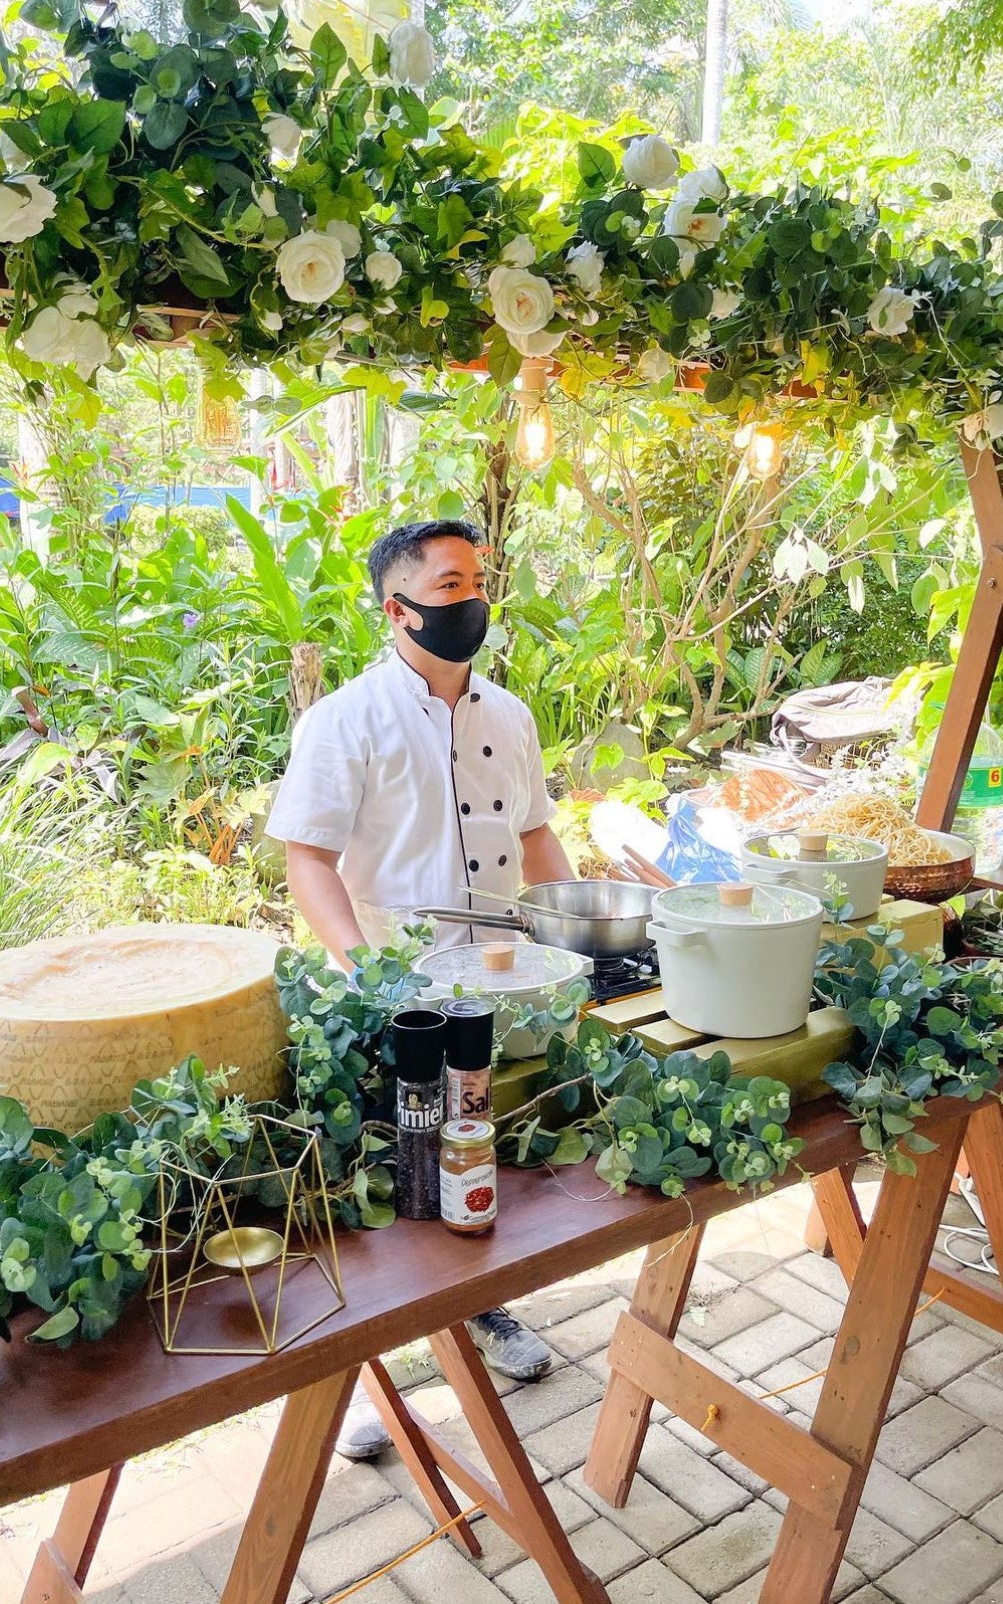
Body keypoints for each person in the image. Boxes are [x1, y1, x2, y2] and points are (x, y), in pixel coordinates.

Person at [267, 517, 576, 1460]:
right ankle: (360, 1377)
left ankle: (486, 1310)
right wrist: (364, 968)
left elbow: (534, 840)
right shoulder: (345, 720)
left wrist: (578, 931)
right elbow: (306, 858)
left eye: (479, 581)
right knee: (383, 1184)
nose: (471, 599)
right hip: (392, 989)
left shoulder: (510, 716)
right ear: (396, 609)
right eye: (449, 585)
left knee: (478, 1151)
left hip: (495, 980)